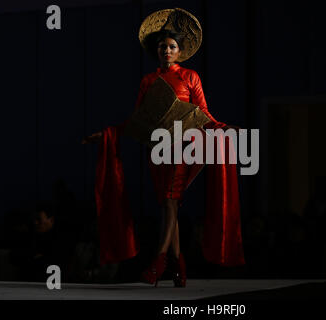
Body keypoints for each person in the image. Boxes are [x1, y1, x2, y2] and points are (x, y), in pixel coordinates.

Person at [82, 8, 245, 287]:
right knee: (169, 206)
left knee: (170, 202)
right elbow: (139, 119)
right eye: (162, 47)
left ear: (180, 51)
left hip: (183, 147)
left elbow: (203, 113)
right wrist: (108, 133)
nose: (166, 51)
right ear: (156, 51)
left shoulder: (190, 77)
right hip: (158, 149)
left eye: (171, 47)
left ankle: (158, 261)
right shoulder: (148, 81)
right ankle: (179, 268)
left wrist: (223, 127)